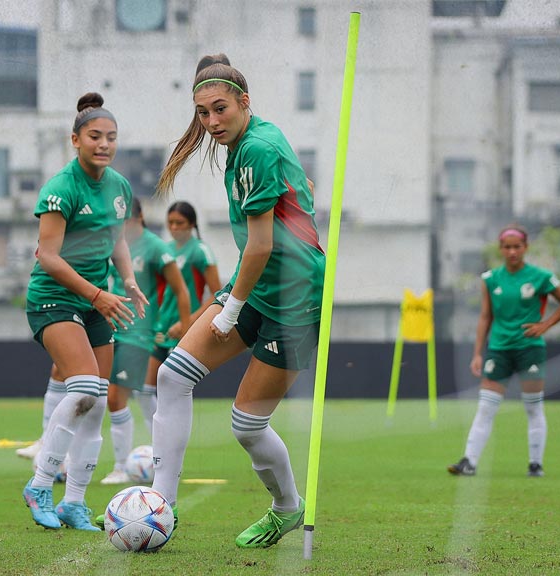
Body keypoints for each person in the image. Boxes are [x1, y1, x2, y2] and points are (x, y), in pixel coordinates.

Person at [150, 54, 324, 549]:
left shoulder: (258, 147)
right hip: (259, 284)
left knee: (247, 425)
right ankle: (161, 505)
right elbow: (296, 192)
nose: (211, 122)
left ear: (244, 102)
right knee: (171, 376)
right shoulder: (247, 143)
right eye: (203, 113)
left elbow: (262, 245)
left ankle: (287, 508)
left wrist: (229, 309)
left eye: (220, 109)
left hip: (295, 301)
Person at [22, 92, 148, 531]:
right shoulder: (60, 188)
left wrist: (127, 279)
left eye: (111, 138)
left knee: (97, 403)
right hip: (54, 299)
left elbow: (116, 240)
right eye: (95, 136)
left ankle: (73, 503)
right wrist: (97, 295)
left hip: (99, 301)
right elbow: (48, 256)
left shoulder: (119, 186)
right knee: (81, 390)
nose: (104, 144)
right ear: (74, 139)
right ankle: (39, 485)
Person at [448, 224, 560, 478]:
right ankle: (469, 462)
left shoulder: (540, 276)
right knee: (485, 408)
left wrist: (545, 325)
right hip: (499, 350)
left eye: (517, 247)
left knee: (532, 407)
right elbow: (486, 317)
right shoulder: (491, 278)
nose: (512, 252)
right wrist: (477, 353)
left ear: (525, 248)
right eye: (507, 247)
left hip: (529, 349)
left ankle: (535, 464)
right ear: (501, 250)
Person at [100, 197, 191, 485]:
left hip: (141, 333)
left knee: (117, 397)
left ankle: (122, 466)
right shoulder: (117, 248)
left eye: (124, 219)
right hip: (117, 330)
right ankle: (161, 453)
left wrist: (186, 324)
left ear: (138, 218)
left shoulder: (155, 248)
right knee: (135, 396)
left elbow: (181, 290)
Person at [137, 201, 222, 437]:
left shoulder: (200, 251)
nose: (175, 227)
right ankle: (158, 441)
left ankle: (171, 445)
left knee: (173, 390)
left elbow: (217, 294)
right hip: (162, 330)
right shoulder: (166, 249)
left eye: (180, 223)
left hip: (184, 330)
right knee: (144, 390)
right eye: (171, 223)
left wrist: (190, 322)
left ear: (192, 224)